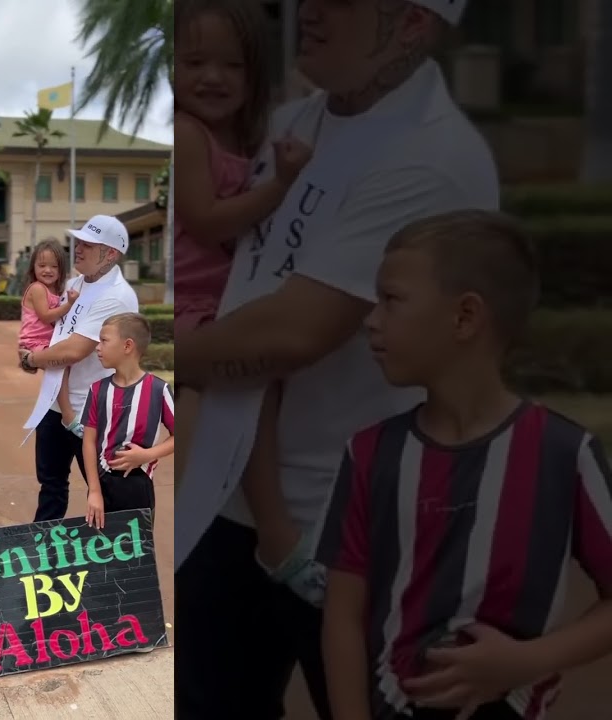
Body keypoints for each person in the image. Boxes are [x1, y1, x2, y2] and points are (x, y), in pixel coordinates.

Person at [173, 1, 499, 718]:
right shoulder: (297, 124)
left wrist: (167, 356)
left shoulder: (431, 157)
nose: (309, 10)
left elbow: (293, 332)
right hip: (234, 500)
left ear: (412, 23)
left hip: (352, 532)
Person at [317, 211, 612, 720]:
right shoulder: (369, 455)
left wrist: (524, 662)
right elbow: (343, 617)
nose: (371, 318)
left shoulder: (565, 454)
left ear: (465, 317)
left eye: (392, 300)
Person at [175, 0, 322, 604]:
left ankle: (263, 528)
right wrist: (282, 186)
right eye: (195, 61)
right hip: (197, 302)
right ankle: (274, 533)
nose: (213, 77)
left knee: (248, 401)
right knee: (240, 391)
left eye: (232, 64)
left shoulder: (245, 136)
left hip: (227, 298)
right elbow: (208, 223)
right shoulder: (187, 135)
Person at [19, 215, 139, 522]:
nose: (78, 249)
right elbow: (50, 329)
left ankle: (115, 563)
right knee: (51, 487)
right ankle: (43, 553)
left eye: (88, 244)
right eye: (79, 242)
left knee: (106, 494)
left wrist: (31, 359)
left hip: (93, 415)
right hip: (54, 406)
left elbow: (73, 350)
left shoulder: (117, 297)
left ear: (110, 253)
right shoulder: (74, 285)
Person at [82, 313, 175, 531]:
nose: (97, 347)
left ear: (127, 346)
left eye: (104, 340)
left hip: (138, 485)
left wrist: (147, 455)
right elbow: (88, 442)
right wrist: (94, 490)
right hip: (103, 482)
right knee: (101, 552)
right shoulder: (97, 390)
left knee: (137, 558)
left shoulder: (158, 390)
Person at [18, 239, 81, 433]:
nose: (48, 270)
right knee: (60, 365)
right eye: (42, 265)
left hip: (48, 340)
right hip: (35, 341)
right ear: (33, 267)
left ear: (61, 270)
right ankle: (68, 416)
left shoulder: (56, 290)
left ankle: (63, 408)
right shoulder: (37, 288)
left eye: (54, 266)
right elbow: (45, 316)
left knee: (64, 368)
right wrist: (69, 305)